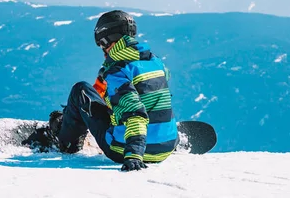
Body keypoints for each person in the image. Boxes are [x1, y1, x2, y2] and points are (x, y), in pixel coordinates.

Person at [25, 10, 178, 172]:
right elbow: (153, 93)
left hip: (127, 149)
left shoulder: (118, 71)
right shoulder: (156, 62)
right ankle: (159, 129)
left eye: (101, 45)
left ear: (106, 41)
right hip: (166, 147)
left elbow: (134, 113)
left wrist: (134, 155)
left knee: (81, 90)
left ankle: (65, 141)